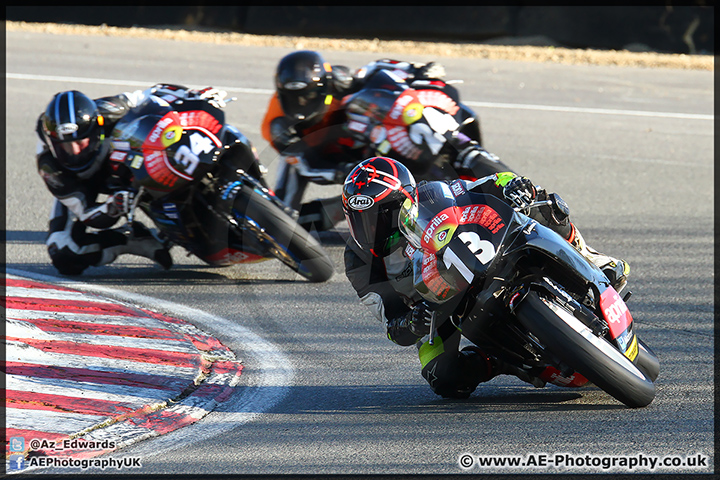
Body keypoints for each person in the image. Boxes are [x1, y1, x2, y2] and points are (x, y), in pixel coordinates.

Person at [342, 156, 630, 399]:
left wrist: (515, 186)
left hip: (483, 254)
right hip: (434, 306)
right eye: (360, 219)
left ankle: (590, 256)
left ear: (406, 199)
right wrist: (412, 322)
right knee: (444, 378)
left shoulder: (432, 194)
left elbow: (486, 185)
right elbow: (392, 325)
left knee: (547, 206)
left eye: (382, 215)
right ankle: (503, 361)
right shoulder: (359, 260)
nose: (372, 228)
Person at [261, 50, 495, 232]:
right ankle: (282, 225)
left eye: (309, 95)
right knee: (280, 219)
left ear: (323, 86)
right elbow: (306, 167)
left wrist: (414, 70)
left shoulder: (337, 79)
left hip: (355, 146)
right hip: (316, 158)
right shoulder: (278, 124)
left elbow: (374, 70)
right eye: (295, 98)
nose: (302, 103)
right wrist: (341, 172)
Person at [36, 84, 230, 275]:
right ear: (52, 142)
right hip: (82, 184)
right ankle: (132, 241)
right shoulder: (51, 167)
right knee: (64, 252)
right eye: (65, 147)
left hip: (120, 160)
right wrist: (114, 206)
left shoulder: (106, 110)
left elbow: (150, 95)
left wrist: (193, 95)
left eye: (81, 142)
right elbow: (86, 213)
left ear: (95, 130)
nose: (75, 152)